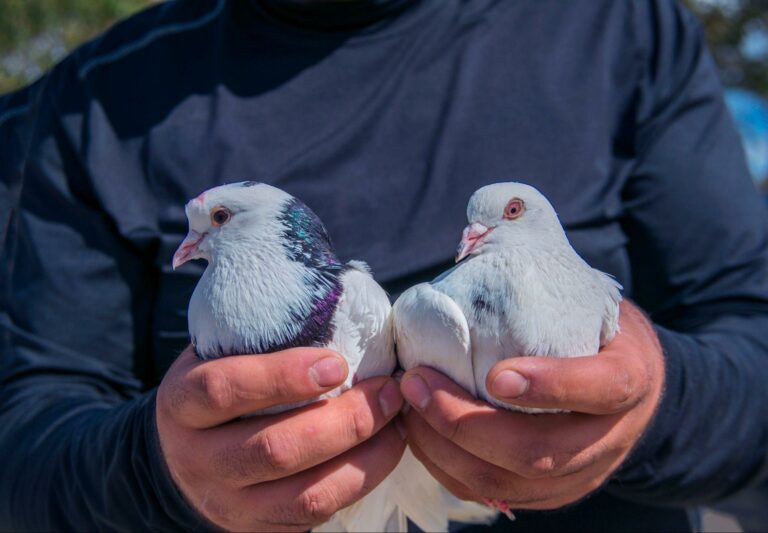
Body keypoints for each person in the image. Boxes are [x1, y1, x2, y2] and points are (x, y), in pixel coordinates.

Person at [1, 0, 767, 531]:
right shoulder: (93, 104)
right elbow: (28, 434)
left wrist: (656, 400)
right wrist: (151, 466)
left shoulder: (622, 28)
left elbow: (753, 346)